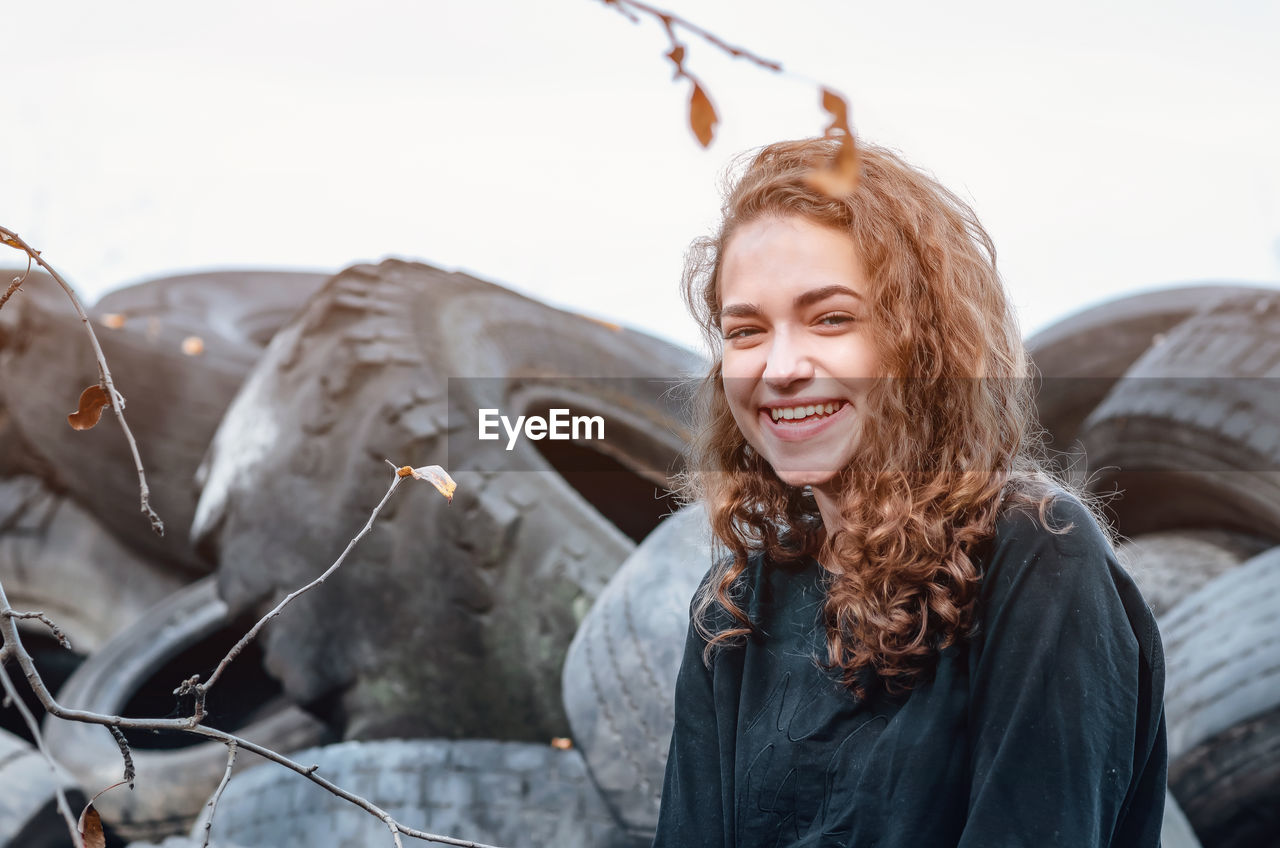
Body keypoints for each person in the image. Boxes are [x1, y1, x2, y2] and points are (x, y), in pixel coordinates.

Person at [652, 138, 1167, 847]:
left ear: (921, 342)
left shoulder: (1036, 559)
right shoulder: (736, 608)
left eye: (831, 318)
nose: (780, 367)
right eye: (746, 330)